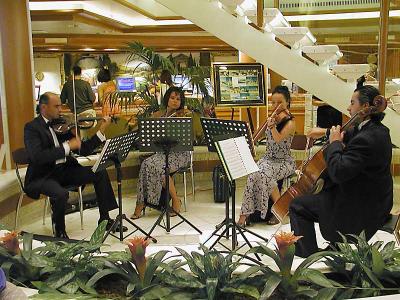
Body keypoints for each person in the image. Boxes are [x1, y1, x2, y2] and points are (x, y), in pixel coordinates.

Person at [290, 84, 393, 258]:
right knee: (315, 197)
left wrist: (336, 143)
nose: (348, 108)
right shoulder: (374, 130)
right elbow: (350, 133)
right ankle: (326, 252)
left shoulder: (368, 138)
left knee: (298, 205)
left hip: (359, 206)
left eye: (352, 103)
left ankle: (310, 260)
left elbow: (338, 171)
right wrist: (327, 132)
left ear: (365, 107)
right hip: (367, 196)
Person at [24, 92, 126, 238]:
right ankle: (60, 232)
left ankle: (105, 219)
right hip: (44, 175)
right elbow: (38, 157)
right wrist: (66, 147)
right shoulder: (32, 128)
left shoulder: (60, 125)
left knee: (99, 172)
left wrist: (101, 129)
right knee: (60, 194)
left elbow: (84, 149)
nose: (60, 110)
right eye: (57, 106)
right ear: (44, 107)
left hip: (64, 171)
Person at [238, 85, 296, 226]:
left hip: (284, 161)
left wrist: (272, 127)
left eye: (279, 102)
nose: (276, 106)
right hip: (268, 158)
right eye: (273, 103)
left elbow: (277, 139)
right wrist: (250, 141)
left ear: (287, 102)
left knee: (265, 174)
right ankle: (244, 215)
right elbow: (256, 136)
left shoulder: (290, 122)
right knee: (253, 173)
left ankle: (279, 210)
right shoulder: (272, 118)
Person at [131, 87, 190, 219]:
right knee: (146, 163)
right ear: (167, 98)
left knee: (162, 168)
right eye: (172, 98)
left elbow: (187, 139)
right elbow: (145, 130)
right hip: (163, 153)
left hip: (180, 154)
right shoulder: (158, 114)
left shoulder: (183, 115)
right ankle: (141, 203)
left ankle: (175, 199)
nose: (175, 101)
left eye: (178, 99)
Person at [60, 65, 96, 139]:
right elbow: (92, 98)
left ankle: (81, 144)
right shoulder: (86, 84)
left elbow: (62, 100)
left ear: (72, 73)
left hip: (76, 116)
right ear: (81, 73)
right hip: (89, 114)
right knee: (87, 134)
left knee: (79, 134)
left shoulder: (67, 85)